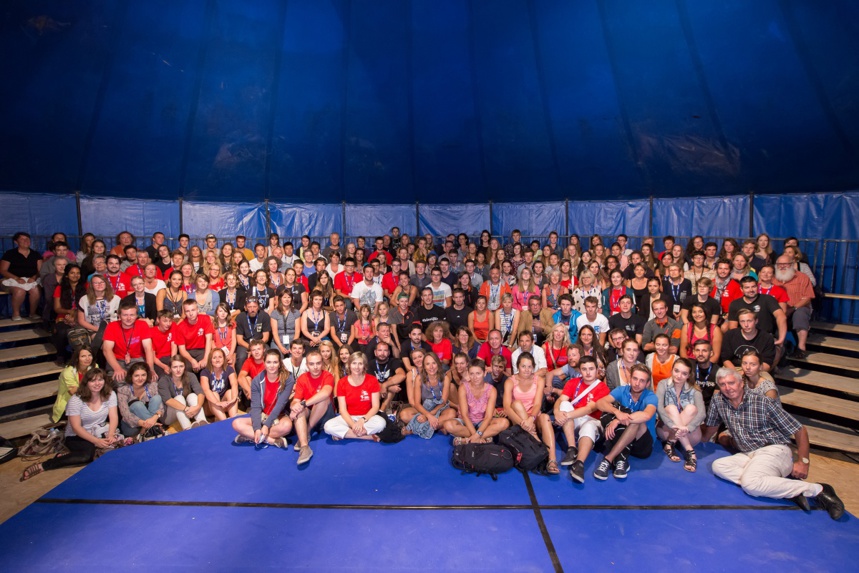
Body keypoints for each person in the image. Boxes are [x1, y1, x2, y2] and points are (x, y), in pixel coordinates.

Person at [701, 367, 844, 520]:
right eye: (722, 384)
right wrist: (699, 442)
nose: (727, 388)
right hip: (749, 454)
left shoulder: (762, 402)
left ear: (741, 383)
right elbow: (712, 426)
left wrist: (803, 462)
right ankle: (785, 489)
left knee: (751, 485)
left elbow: (799, 429)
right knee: (719, 466)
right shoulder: (719, 401)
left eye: (731, 383)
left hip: (774, 450)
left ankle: (819, 490)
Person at [20, 369, 119, 481]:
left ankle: (69, 455)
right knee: (86, 456)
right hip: (77, 435)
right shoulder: (76, 400)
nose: (97, 383)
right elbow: (76, 427)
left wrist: (111, 435)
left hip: (100, 431)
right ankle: (43, 465)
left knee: (112, 453)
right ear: (86, 382)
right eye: (92, 381)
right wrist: (96, 441)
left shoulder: (110, 394)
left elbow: (114, 417)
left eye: (100, 379)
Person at [593, 364, 658, 480]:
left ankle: (608, 458)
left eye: (642, 381)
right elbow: (600, 403)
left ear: (647, 384)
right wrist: (616, 412)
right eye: (635, 379)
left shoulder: (651, 396)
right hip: (625, 440)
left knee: (637, 421)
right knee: (608, 412)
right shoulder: (622, 390)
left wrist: (618, 420)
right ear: (630, 378)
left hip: (642, 444)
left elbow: (647, 415)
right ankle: (621, 459)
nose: (637, 383)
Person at [554, 356, 611, 483]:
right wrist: (557, 412)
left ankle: (579, 463)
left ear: (597, 370)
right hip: (574, 421)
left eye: (591, 369)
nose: (588, 372)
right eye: (584, 369)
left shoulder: (603, 388)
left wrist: (566, 416)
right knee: (564, 405)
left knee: (589, 426)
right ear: (580, 370)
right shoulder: (572, 382)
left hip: (593, 421)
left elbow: (590, 409)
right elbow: (561, 399)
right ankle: (572, 448)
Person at [504, 353, 559, 474]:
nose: (526, 370)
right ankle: (538, 443)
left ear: (533, 367)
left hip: (533, 417)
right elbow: (507, 407)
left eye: (529, 367)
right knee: (517, 404)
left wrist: (531, 419)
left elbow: (537, 404)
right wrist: (524, 423)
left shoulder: (538, 380)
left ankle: (552, 459)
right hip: (518, 419)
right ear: (518, 366)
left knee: (545, 417)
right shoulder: (510, 381)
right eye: (523, 366)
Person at [232, 349, 295, 448]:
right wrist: (257, 428)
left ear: (279, 363)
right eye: (269, 362)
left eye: (275, 362)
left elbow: (280, 405)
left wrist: (266, 426)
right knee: (236, 423)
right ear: (264, 363)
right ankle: (270, 440)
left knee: (287, 426)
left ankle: (250, 436)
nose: (272, 365)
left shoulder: (288, 379)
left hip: (279, 416)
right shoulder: (257, 381)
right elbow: (256, 407)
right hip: (262, 415)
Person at [443, 359, 510, 445]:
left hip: (483, 422)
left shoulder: (491, 390)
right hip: (466, 422)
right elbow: (465, 415)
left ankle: (467, 440)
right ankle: (483, 439)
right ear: (468, 374)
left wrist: (478, 434)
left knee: (504, 423)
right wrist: (476, 435)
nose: (475, 377)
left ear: (484, 373)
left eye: (478, 373)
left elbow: (488, 417)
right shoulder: (463, 388)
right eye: (472, 374)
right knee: (448, 425)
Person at [324, 351, 386, 441]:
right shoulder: (342, 382)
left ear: (364, 365)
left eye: (360, 364)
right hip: (348, 418)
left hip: (367, 417)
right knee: (328, 426)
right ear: (349, 365)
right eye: (354, 363)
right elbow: (342, 410)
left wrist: (362, 420)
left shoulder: (372, 380)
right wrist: (353, 425)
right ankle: (367, 437)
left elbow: (376, 407)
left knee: (381, 423)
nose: (357, 367)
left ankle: (345, 434)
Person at [656, 358, 705, 472]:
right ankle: (690, 451)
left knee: (691, 409)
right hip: (667, 430)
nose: (679, 376)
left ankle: (670, 443)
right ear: (672, 370)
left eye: (684, 373)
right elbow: (658, 407)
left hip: (689, 434)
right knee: (672, 408)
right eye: (676, 371)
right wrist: (671, 424)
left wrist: (687, 428)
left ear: (689, 375)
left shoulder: (695, 390)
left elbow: (702, 413)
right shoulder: (663, 384)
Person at [290, 349, 336, 464]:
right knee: (298, 409)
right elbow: (295, 400)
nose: (315, 367)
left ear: (322, 364)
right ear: (307, 365)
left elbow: (325, 393)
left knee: (322, 399)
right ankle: (305, 447)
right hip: (309, 414)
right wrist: (294, 407)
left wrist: (303, 403)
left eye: (318, 363)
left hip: (326, 415)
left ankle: (307, 432)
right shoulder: (302, 378)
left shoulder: (328, 376)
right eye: (312, 364)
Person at [399, 353, 452, 439]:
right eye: (428, 364)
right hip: (425, 408)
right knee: (404, 415)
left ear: (438, 364)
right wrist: (428, 415)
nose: (431, 367)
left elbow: (443, 402)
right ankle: (436, 427)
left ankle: (413, 430)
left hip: (440, 408)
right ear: (424, 367)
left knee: (451, 414)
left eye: (434, 363)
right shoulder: (419, 378)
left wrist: (428, 416)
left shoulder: (445, 378)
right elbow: (417, 403)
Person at [101, 301, 156, 384]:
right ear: (119, 316)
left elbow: (148, 349)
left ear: (137, 315)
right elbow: (106, 350)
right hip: (117, 360)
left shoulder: (143, 325)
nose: (128, 318)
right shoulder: (111, 326)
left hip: (138, 360)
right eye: (125, 315)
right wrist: (117, 368)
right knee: (119, 381)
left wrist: (150, 369)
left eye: (132, 315)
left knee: (149, 381)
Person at [773, 254, 815, 359]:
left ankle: (801, 347)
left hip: (798, 307)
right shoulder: (773, 278)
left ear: (792, 264)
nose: (782, 266)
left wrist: (793, 308)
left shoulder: (802, 277)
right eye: (779, 264)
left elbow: (808, 298)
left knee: (800, 314)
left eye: (785, 264)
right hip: (778, 309)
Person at [157, 355, 208, 430]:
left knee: (192, 396)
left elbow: (200, 393)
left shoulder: (190, 376)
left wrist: (197, 407)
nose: (178, 370)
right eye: (175, 367)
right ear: (170, 368)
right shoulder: (164, 380)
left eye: (181, 366)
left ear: (185, 367)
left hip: (188, 412)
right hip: (169, 415)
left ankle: (203, 423)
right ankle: (187, 429)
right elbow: (168, 400)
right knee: (179, 398)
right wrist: (186, 409)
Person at [1, 232, 42, 321]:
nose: (26, 241)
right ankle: (16, 314)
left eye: (27, 239)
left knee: (36, 290)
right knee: (20, 291)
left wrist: (33, 277)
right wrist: (16, 278)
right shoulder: (10, 254)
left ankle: (32, 313)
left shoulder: (36, 254)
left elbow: (40, 270)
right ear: (16, 242)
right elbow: (3, 270)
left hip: (31, 279)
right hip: (12, 279)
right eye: (22, 239)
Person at [117, 362, 164, 438]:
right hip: (132, 427)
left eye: (143, 375)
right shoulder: (123, 390)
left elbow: (161, 408)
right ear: (131, 376)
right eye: (136, 376)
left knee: (157, 398)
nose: (140, 378)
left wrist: (153, 419)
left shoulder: (152, 386)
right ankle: (152, 430)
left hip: (151, 423)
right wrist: (146, 424)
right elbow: (126, 415)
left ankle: (148, 431)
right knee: (137, 405)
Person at [51, 346, 96, 423]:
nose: (87, 358)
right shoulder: (68, 372)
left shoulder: (94, 367)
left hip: (88, 401)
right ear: (77, 358)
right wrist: (88, 380)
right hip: (69, 404)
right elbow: (74, 392)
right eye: (83, 356)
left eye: (89, 355)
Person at [174, 299, 214, 372]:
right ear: (185, 313)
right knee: (186, 368)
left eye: (193, 310)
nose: (191, 313)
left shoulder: (205, 319)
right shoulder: (180, 327)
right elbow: (182, 350)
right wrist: (192, 361)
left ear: (197, 310)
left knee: (208, 366)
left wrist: (205, 358)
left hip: (203, 350)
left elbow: (209, 340)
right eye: (187, 311)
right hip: (188, 352)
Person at [199, 348, 238, 421]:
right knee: (214, 393)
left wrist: (233, 399)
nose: (217, 360)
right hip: (211, 405)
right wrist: (217, 403)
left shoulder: (229, 369)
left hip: (224, 403)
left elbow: (234, 384)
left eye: (220, 357)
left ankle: (234, 419)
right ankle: (224, 421)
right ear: (210, 360)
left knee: (230, 392)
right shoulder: (204, 372)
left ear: (224, 359)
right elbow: (206, 390)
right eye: (214, 358)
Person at [234, 296, 272, 370]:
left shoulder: (264, 316)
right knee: (241, 357)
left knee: (268, 354)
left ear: (258, 307)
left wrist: (257, 348)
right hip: (245, 344)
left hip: (261, 342)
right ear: (245, 307)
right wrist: (251, 348)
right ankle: (241, 379)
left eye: (254, 307)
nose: (252, 309)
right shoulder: (240, 317)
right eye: (249, 307)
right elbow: (239, 340)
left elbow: (266, 337)